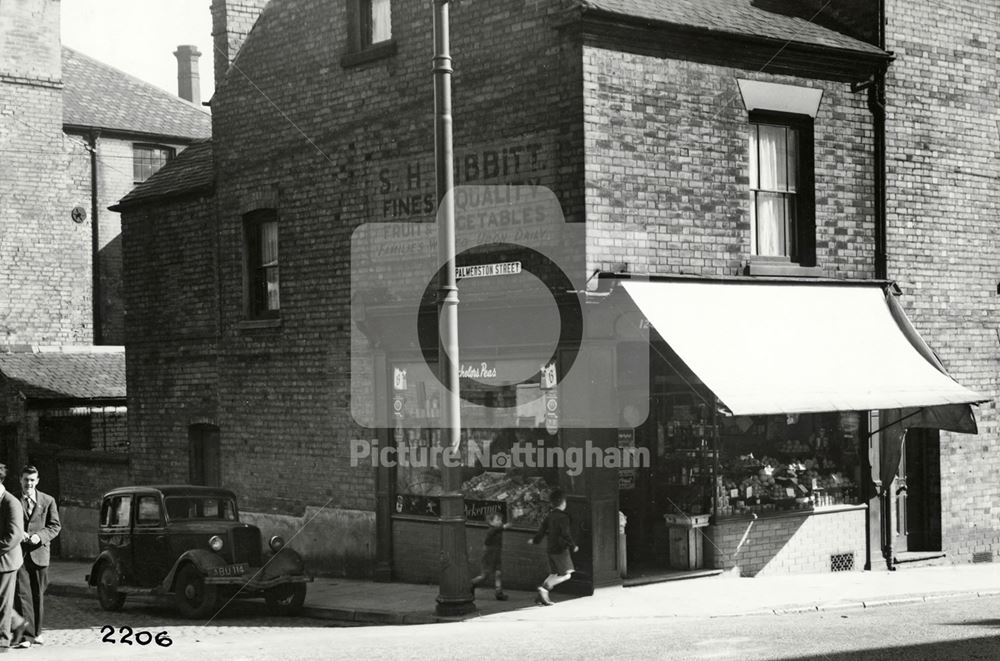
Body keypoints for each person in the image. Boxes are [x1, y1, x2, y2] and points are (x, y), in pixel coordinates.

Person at [14, 466, 60, 649]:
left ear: (38, 481)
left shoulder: (48, 501)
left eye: (32, 480)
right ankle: (26, 635)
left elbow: (55, 526)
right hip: (19, 554)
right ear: (20, 480)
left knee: (38, 594)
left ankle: (38, 632)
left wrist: (39, 536)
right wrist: (19, 534)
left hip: (40, 554)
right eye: (26, 479)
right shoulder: (14, 501)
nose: (29, 483)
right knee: (22, 595)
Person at [527, 489, 578, 606]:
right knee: (567, 575)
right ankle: (544, 590)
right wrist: (573, 545)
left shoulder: (549, 515)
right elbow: (565, 533)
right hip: (561, 549)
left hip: (550, 548)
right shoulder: (564, 517)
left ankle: (541, 596)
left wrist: (535, 540)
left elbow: (542, 530)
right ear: (563, 503)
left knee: (553, 574)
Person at [0, 464, 26, 651]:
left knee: (2, 601)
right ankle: (17, 622)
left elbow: (14, 535)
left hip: (6, 561)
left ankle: (2, 641)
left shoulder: (10, 502)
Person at [470, 511, 510, 601]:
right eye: (497, 520)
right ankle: (471, 584)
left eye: (501, 520)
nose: (500, 521)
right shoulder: (491, 530)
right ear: (491, 522)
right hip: (489, 555)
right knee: (485, 575)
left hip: (496, 554)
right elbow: (494, 531)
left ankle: (499, 592)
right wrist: (503, 527)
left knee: (498, 573)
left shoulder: (497, 530)